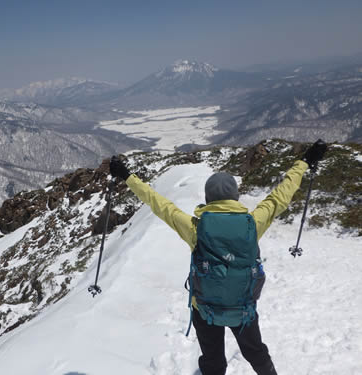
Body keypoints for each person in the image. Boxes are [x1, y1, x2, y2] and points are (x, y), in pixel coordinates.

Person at [109, 140, 327, 375]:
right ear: (235, 196)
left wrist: (127, 176)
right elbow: (280, 197)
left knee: (213, 361)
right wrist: (304, 163)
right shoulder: (252, 224)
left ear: (208, 197)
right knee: (256, 352)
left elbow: (159, 204)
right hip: (242, 308)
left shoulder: (196, 229)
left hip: (205, 309)